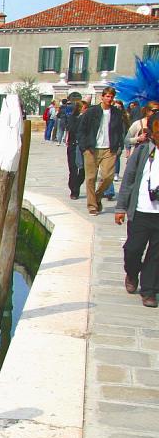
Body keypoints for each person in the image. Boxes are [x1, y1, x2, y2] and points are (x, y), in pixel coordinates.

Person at [115, 110, 159, 308]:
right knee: (133, 249)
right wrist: (121, 207)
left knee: (156, 255)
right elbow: (129, 179)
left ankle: (149, 291)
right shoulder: (143, 151)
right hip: (140, 210)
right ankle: (132, 273)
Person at [78, 86, 127, 216]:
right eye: (107, 96)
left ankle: (97, 197)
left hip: (109, 148)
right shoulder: (92, 111)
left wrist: (119, 145)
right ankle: (92, 206)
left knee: (108, 176)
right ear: (102, 97)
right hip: (91, 148)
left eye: (111, 97)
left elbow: (119, 130)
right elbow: (82, 129)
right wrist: (84, 147)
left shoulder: (116, 112)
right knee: (91, 178)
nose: (109, 99)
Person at [67, 100, 86, 200]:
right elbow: (72, 129)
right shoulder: (73, 118)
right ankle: (74, 191)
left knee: (83, 170)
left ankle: (77, 185)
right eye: (84, 108)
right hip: (73, 146)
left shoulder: (87, 119)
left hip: (83, 146)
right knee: (73, 169)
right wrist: (81, 118)